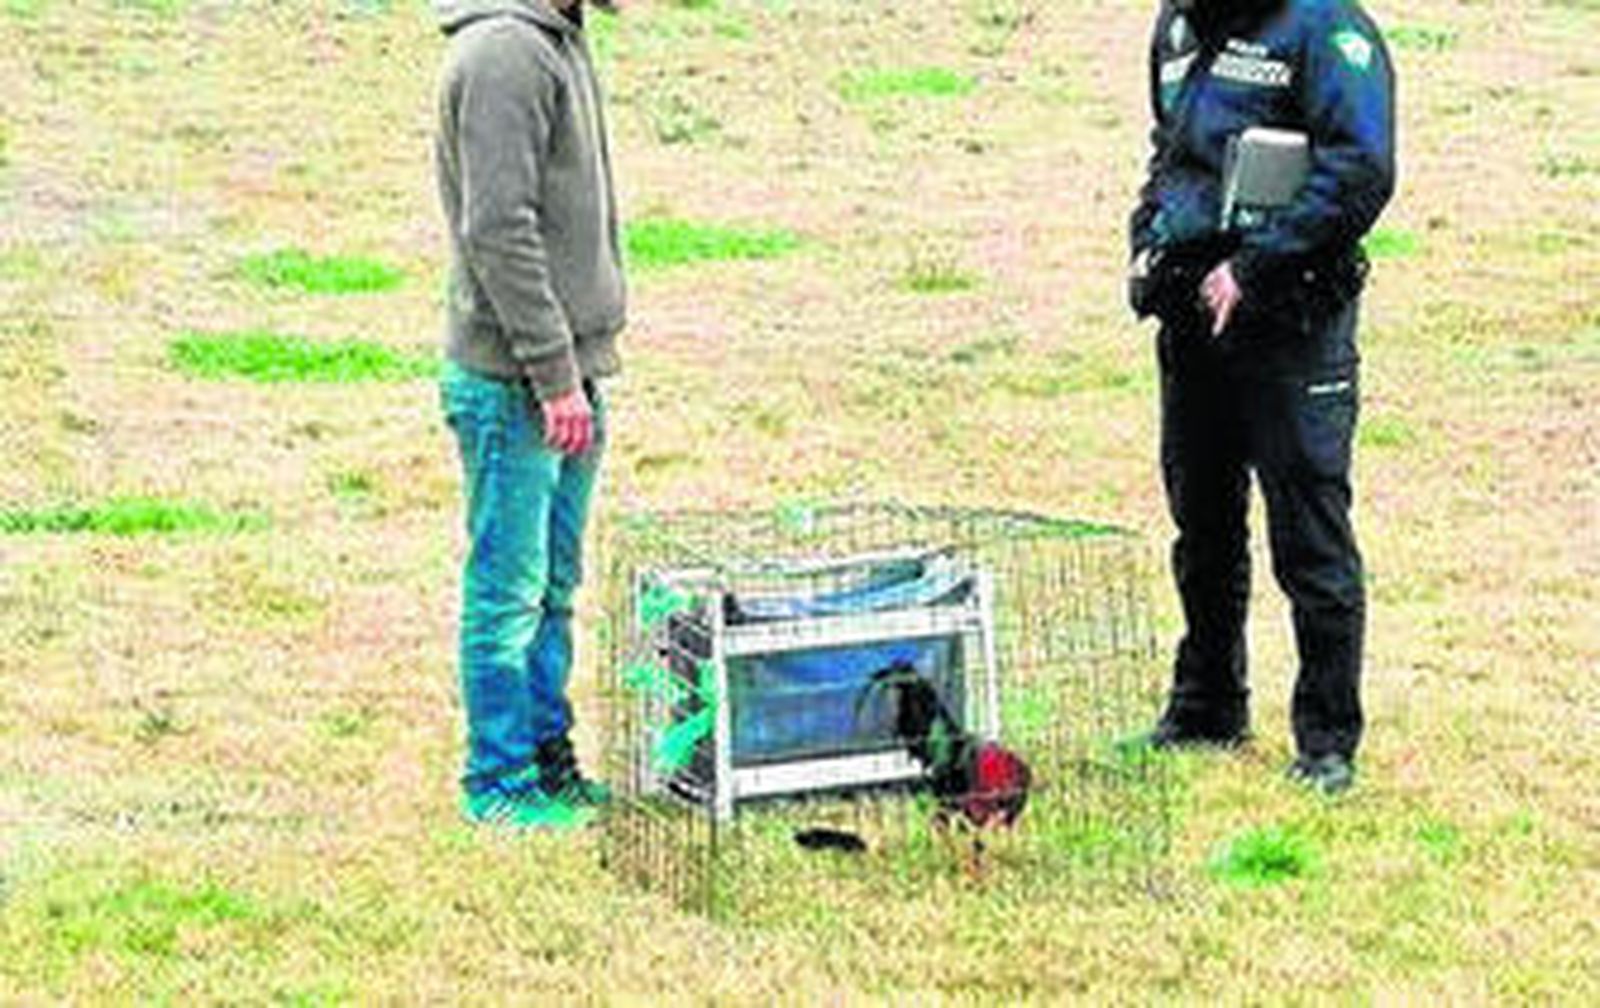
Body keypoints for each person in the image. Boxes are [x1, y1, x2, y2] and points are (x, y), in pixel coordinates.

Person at [1127, 0, 1396, 794]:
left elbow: (1361, 171)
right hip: (1193, 318)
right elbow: (1169, 147)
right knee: (1202, 525)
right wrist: (1147, 233)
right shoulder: (1178, 25)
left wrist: (1254, 268)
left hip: (1291, 319)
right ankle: (1207, 705)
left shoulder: (1326, 32)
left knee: (1309, 534)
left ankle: (1326, 742)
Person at [433, 0, 624, 827]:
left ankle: (549, 761)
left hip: (567, 372)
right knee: (509, 592)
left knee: (551, 587)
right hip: (520, 384)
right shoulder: (504, 51)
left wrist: (575, 370)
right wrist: (552, 378)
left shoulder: (557, 37)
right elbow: (497, 229)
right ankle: (500, 782)